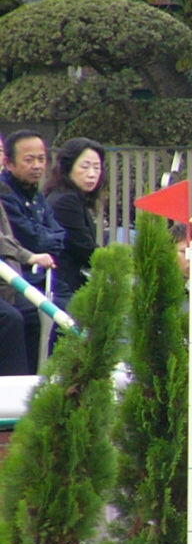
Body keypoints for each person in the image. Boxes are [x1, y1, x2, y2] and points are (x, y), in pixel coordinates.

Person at [0, 130, 65, 303]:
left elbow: (59, 236)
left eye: (41, 159)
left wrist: (46, 239)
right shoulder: (5, 193)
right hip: (18, 276)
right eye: (29, 160)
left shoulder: (36, 193)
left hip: (43, 274)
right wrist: (45, 240)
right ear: (9, 163)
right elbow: (31, 240)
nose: (37, 166)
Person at [44, 137, 105, 301]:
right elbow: (85, 249)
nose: (92, 174)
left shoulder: (73, 198)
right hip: (65, 287)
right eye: (85, 167)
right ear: (68, 168)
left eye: (97, 168)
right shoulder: (65, 201)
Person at [0, 200, 45, 374]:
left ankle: (32, 381)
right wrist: (26, 256)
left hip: (7, 282)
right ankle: (11, 390)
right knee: (9, 318)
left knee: (34, 313)